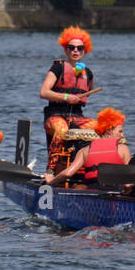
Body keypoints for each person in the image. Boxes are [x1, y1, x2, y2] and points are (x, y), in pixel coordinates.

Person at [39, 26, 97, 172]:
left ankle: (90, 169)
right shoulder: (58, 67)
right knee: (61, 129)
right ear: (66, 50)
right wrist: (66, 97)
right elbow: (44, 92)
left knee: (100, 129)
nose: (75, 51)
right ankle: (50, 170)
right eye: (71, 48)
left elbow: (88, 91)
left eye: (79, 48)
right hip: (55, 115)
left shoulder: (88, 73)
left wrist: (79, 98)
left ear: (85, 50)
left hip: (77, 116)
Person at [44, 108, 129, 188]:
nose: (122, 135)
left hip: (93, 191)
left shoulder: (84, 151)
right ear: (108, 131)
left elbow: (67, 173)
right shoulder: (123, 149)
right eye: (120, 131)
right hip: (115, 192)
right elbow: (131, 177)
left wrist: (50, 182)